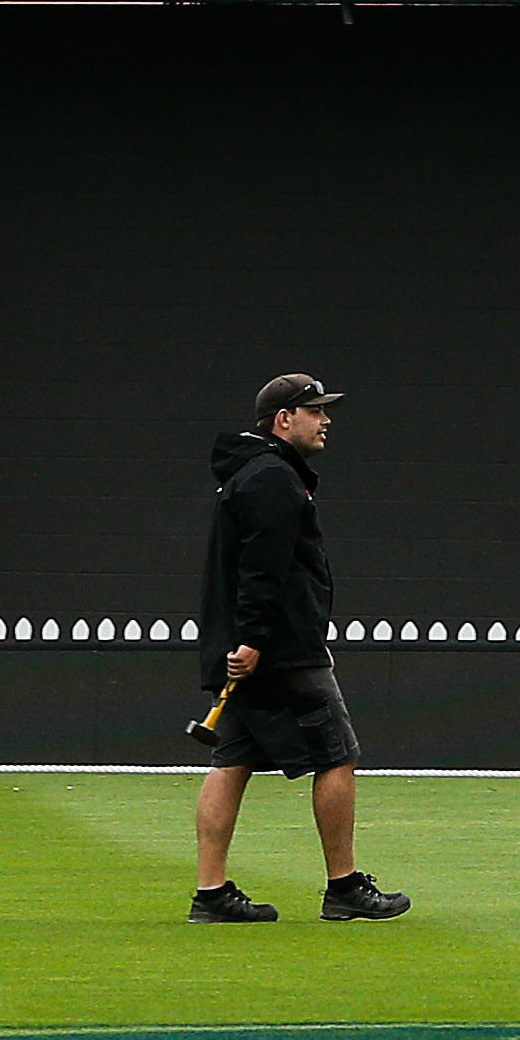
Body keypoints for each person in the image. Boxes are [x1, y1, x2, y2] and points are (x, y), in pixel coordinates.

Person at [190, 373, 409, 924]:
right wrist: (257, 640)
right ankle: (344, 886)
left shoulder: (255, 472)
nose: (326, 419)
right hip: (281, 651)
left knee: (232, 759)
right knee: (336, 754)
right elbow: (264, 570)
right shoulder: (272, 479)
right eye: (315, 410)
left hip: (254, 646)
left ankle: (211, 894)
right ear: (284, 420)